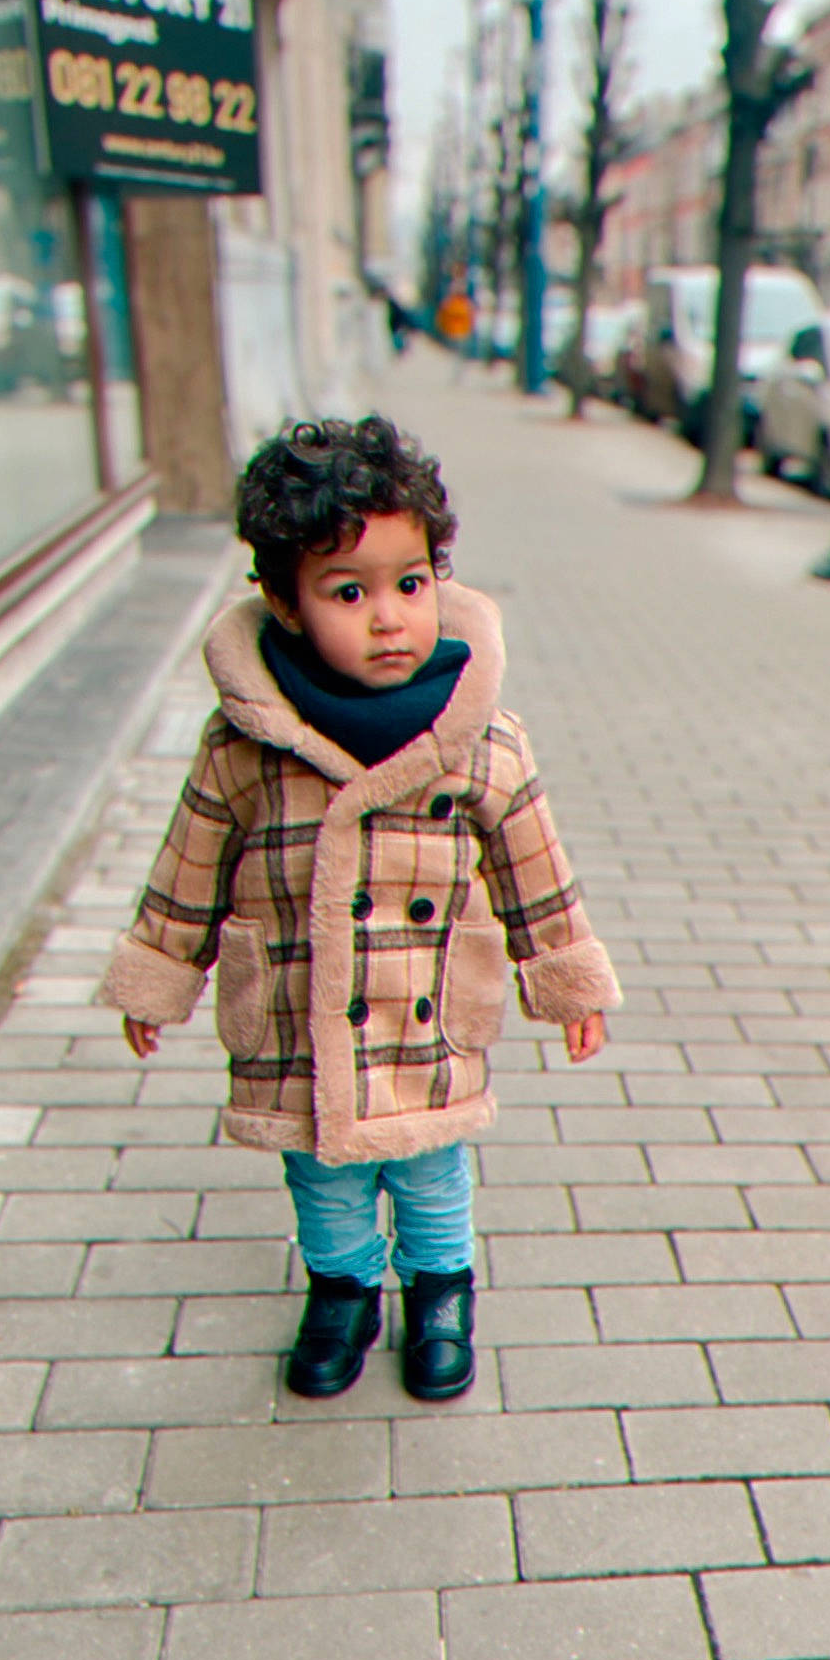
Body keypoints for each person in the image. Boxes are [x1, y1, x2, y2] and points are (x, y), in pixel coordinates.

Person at [99, 416, 620, 1401]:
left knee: (431, 1174)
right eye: (350, 591)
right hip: (302, 1020)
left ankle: (440, 1294)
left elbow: (534, 867)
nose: (389, 617)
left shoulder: (479, 735)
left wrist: (565, 979)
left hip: (424, 1010)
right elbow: (188, 866)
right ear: (285, 603)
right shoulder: (246, 742)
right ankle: (341, 1291)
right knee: (325, 1174)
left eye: (409, 583)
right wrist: (157, 978)